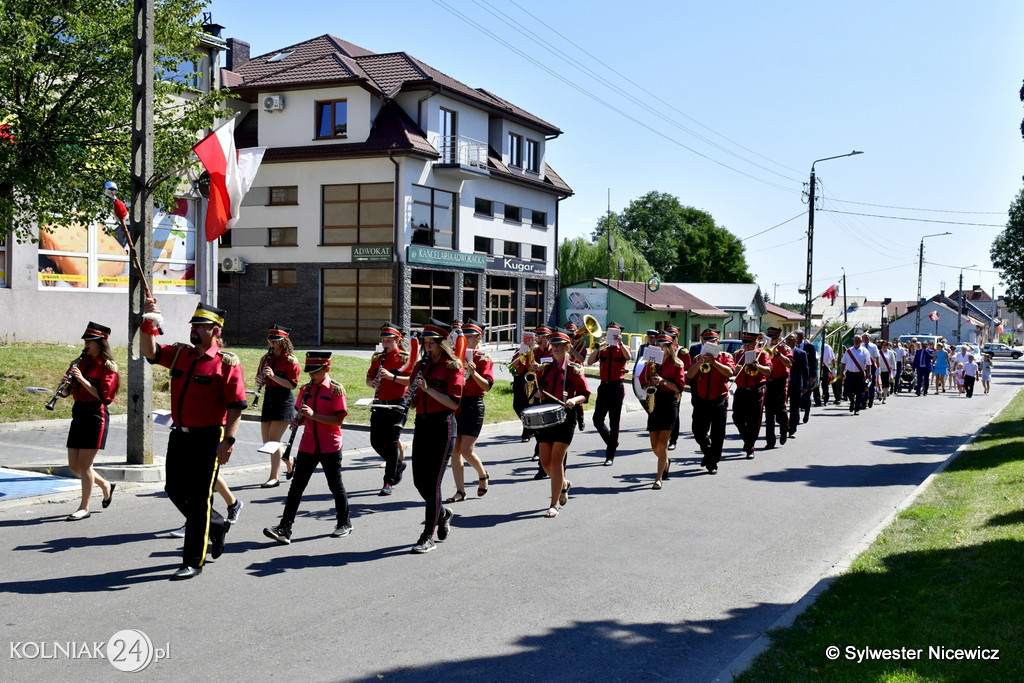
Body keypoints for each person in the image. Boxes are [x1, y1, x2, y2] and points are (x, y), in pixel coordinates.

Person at [141, 300, 246, 581]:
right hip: (181, 434)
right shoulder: (181, 355)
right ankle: (217, 524)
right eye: (193, 325)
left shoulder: (226, 364)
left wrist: (230, 440)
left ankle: (192, 561)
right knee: (173, 488)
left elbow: (236, 406)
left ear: (215, 331)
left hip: (209, 437)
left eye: (200, 326)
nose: (194, 330)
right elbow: (149, 351)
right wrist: (149, 321)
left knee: (200, 499)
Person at [263, 352, 351, 545]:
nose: (311, 375)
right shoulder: (305, 389)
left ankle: (344, 522)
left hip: (329, 444)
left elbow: (338, 420)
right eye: (309, 372)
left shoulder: (336, 390)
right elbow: (304, 415)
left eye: (315, 372)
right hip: (308, 444)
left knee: (335, 485)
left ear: (326, 369)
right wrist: (299, 420)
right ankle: (285, 528)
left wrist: (312, 415)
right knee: (296, 487)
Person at [400, 319, 464, 553]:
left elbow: (453, 402)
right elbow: (416, 400)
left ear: (441, 343)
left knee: (434, 482)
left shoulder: (452, 366)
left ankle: (427, 536)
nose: (427, 347)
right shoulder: (420, 366)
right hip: (423, 424)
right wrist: (411, 396)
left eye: (431, 343)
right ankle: (443, 513)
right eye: (424, 342)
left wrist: (428, 389)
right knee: (419, 481)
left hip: (443, 425)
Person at [526, 328, 590, 516]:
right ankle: (563, 483)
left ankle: (553, 505)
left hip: (566, 417)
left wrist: (573, 401)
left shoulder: (574, 369)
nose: (555, 348)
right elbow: (539, 390)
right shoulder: (546, 368)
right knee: (545, 464)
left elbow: (585, 394)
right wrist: (536, 391)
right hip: (547, 419)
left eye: (559, 345)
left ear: (567, 347)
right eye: (553, 345)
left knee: (556, 462)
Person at [63, 322, 119, 521]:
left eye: (90, 341)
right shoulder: (79, 362)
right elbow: (66, 392)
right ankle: (105, 485)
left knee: (85, 464)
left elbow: (104, 397)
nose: (86, 344)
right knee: (74, 465)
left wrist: (83, 380)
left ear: (100, 343)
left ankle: (84, 507)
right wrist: (65, 386)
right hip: (78, 412)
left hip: (96, 415)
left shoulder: (108, 366)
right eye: (86, 341)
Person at [447, 319, 494, 503]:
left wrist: (473, 373)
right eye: (464, 337)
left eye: (470, 337)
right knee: (455, 451)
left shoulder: (483, 358)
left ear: (478, 338)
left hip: (474, 404)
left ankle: (482, 474)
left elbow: (487, 386)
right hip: (457, 404)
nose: (466, 340)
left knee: (466, 450)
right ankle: (460, 491)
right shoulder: (455, 357)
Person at [366, 322, 410, 496]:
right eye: (383, 340)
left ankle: (388, 482)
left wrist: (392, 377)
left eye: (389, 340)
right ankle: (398, 464)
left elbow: (410, 381)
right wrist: (373, 382)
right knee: (375, 442)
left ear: (398, 340)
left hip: (398, 403)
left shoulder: (405, 358)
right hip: (380, 402)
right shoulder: (378, 358)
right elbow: (368, 378)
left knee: (391, 444)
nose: (385, 343)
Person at [684, 329, 735, 474]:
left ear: (718, 343)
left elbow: (730, 373)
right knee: (698, 431)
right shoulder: (697, 358)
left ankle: (712, 463)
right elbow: (690, 374)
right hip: (701, 399)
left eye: (713, 342)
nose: (710, 344)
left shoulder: (725, 357)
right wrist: (700, 361)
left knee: (718, 434)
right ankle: (708, 452)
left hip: (719, 398)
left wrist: (714, 363)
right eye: (707, 342)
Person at [257, 324, 300, 488]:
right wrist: (259, 380)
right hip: (269, 399)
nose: (271, 344)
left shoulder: (290, 360)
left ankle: (273, 477)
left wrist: (273, 377)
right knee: (266, 441)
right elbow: (258, 377)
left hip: (283, 401)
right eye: (270, 340)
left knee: (273, 442)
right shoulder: (265, 358)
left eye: (275, 341)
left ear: (283, 342)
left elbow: (292, 385)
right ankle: (289, 461)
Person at [640, 333, 684, 488]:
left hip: (669, 403)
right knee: (654, 446)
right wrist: (648, 379)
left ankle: (658, 478)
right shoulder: (651, 363)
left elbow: (679, 387)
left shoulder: (677, 364)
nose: (661, 348)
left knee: (663, 444)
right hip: (655, 402)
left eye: (664, 346)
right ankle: (665, 460)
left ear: (669, 347)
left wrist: (663, 381)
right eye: (658, 345)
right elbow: (642, 382)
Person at [587, 321, 631, 465]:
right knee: (597, 419)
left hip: (617, 387)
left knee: (614, 421)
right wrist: (598, 348)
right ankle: (612, 442)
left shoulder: (623, 348)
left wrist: (620, 344)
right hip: (603, 386)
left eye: (615, 332)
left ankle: (610, 454)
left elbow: (628, 357)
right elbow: (589, 362)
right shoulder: (603, 348)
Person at [731, 331, 770, 459]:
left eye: (749, 344)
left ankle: (750, 446)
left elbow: (769, 371)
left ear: (755, 343)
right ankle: (748, 440)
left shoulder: (762, 354)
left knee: (754, 420)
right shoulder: (738, 355)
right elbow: (731, 370)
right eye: (745, 344)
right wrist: (734, 370)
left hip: (756, 389)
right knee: (737, 417)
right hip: (741, 389)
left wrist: (757, 366)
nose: (746, 347)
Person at [762, 327, 792, 450]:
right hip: (768, 382)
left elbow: (789, 364)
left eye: (774, 339)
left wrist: (778, 354)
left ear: (778, 339)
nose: (772, 341)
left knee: (780, 410)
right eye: (770, 339)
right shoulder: (763, 350)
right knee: (768, 413)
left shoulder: (785, 349)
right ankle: (770, 441)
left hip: (780, 382)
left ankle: (784, 428)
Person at [786, 333, 809, 437]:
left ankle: (792, 429)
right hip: (783, 384)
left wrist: (805, 385)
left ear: (796, 341)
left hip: (795, 384)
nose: (789, 341)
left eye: (791, 340)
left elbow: (805, 370)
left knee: (794, 409)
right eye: (787, 340)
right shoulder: (781, 352)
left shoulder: (801, 353)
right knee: (780, 409)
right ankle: (784, 425)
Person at [841, 335, 871, 414]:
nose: (857, 341)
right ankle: (852, 402)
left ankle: (857, 407)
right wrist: (841, 373)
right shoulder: (848, 351)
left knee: (859, 392)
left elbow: (868, 364)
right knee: (848, 391)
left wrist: (869, 374)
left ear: (861, 341)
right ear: (853, 341)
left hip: (859, 374)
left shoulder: (865, 351)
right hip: (850, 374)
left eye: (858, 340)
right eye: (855, 340)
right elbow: (843, 363)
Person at [793, 330, 818, 423]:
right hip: (796, 375)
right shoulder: (792, 347)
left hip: (807, 375)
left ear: (802, 337)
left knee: (807, 396)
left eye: (798, 337)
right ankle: (797, 416)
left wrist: (813, 376)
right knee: (796, 397)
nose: (796, 339)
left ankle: (807, 412)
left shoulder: (810, 347)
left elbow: (813, 362)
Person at [814, 340, 835, 406]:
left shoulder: (827, 347)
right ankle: (817, 401)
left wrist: (833, 369)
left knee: (825, 384)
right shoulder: (814, 346)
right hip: (817, 367)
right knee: (816, 385)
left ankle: (826, 399)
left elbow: (832, 358)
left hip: (825, 367)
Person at [878, 340, 896, 404]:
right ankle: (880, 393)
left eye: (886, 345)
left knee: (886, 385)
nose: (884, 346)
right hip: (880, 371)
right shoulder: (878, 352)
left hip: (887, 370)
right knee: (879, 384)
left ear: (888, 346)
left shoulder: (890, 353)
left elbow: (893, 362)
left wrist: (894, 371)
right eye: (883, 345)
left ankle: (884, 398)